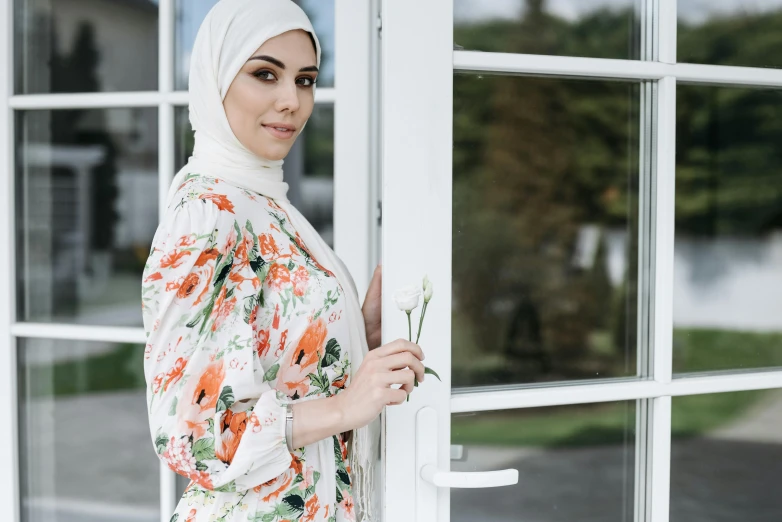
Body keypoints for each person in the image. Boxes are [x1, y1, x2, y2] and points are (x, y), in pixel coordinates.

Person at [140, 1, 426, 521]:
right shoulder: (208, 211)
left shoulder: (266, 201)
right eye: (265, 74)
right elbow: (186, 432)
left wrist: (357, 333)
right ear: (216, 78)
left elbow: (272, 354)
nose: (290, 100)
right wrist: (346, 406)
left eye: (306, 79)